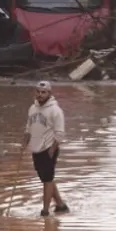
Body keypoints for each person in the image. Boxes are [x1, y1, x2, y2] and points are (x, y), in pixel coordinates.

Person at [23, 81, 69, 217]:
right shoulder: (32, 108)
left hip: (49, 148)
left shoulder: (55, 111)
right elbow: (28, 127)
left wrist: (52, 149)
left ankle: (45, 211)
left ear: (49, 94)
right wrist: (25, 142)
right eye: (38, 92)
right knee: (46, 179)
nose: (40, 95)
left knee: (47, 179)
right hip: (35, 148)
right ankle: (61, 205)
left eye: (43, 92)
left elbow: (60, 133)